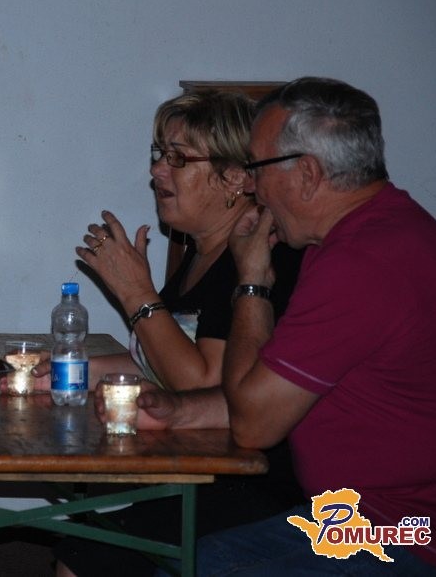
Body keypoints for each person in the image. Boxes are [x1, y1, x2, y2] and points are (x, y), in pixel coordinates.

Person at [143, 77, 436, 574]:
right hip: (355, 517)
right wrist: (178, 412)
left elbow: (253, 424)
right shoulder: (382, 231)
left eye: (257, 168)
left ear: (307, 173)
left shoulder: (361, 263)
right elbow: (274, 391)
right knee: (183, 562)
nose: (252, 186)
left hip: (402, 530)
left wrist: (252, 282)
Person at [48, 91, 305, 576]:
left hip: (261, 485)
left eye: (178, 158)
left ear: (235, 177)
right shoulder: (202, 252)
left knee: (86, 558)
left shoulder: (255, 258)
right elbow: (162, 359)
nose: (156, 171)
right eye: (159, 154)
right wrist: (67, 369)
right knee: (83, 542)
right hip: (208, 467)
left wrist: (136, 294)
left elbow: (200, 383)